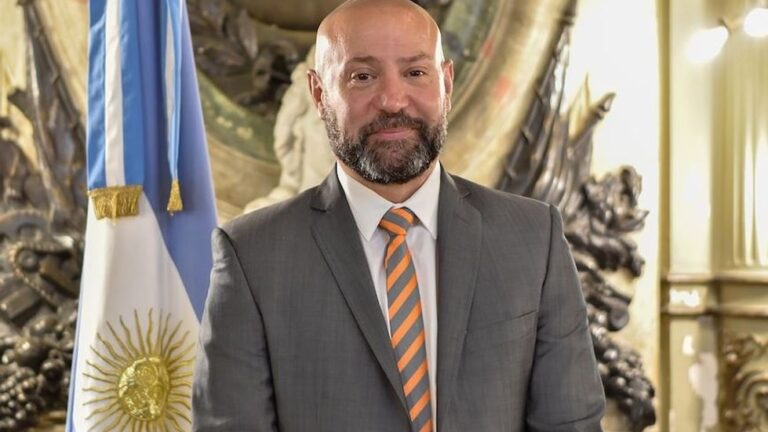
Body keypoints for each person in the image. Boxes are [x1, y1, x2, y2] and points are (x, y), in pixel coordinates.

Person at [191, 0, 606, 430]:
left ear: (446, 82)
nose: (392, 100)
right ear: (318, 93)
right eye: (363, 76)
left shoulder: (533, 240)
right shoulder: (251, 256)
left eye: (415, 72)